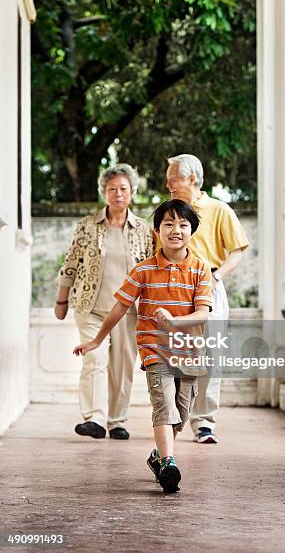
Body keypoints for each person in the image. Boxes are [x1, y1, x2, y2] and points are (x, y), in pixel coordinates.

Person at [73, 200, 212, 494]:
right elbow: (119, 308)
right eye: (168, 224)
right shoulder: (144, 270)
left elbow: (202, 313)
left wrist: (174, 322)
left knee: (181, 415)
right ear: (157, 231)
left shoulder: (200, 269)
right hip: (155, 351)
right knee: (164, 407)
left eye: (183, 225)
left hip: (189, 352)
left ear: (192, 231)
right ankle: (169, 463)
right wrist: (97, 340)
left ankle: (157, 456)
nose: (176, 230)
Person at [55, 163, 153, 440]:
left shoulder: (145, 230)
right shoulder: (87, 226)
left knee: (122, 366)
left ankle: (117, 420)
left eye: (123, 189)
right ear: (104, 193)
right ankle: (95, 418)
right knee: (94, 359)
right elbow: (70, 263)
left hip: (128, 310)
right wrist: (61, 301)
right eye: (112, 189)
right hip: (91, 307)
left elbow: (151, 269)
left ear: (132, 192)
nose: (118, 194)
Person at [165, 154, 249, 443]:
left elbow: (237, 250)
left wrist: (216, 276)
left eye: (172, 177)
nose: (168, 183)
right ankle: (174, 418)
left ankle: (204, 423)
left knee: (210, 355)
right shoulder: (169, 212)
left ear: (191, 178)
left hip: (209, 285)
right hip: (174, 287)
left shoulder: (219, 210)